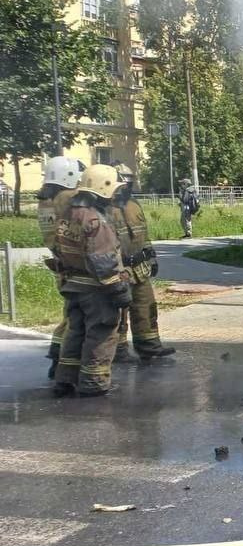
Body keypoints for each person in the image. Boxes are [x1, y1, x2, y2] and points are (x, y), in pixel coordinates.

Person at [53, 164, 132, 398]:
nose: (116, 195)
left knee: (75, 331)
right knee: (101, 332)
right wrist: (119, 290)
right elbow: (104, 261)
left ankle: (65, 378)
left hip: (73, 285)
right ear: (103, 189)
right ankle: (93, 382)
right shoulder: (95, 221)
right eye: (114, 190)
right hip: (97, 289)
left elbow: (60, 250)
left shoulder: (68, 215)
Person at [110, 163, 175, 362]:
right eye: (123, 183)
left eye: (129, 183)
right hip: (120, 269)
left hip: (140, 267)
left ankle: (149, 346)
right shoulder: (104, 209)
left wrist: (151, 256)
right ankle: (118, 351)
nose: (127, 187)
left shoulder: (134, 205)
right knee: (119, 312)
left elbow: (143, 234)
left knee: (146, 306)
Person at [35, 156, 84, 378]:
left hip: (61, 265)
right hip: (75, 265)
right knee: (76, 316)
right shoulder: (67, 198)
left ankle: (57, 353)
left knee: (70, 312)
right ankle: (63, 362)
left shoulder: (45, 200)